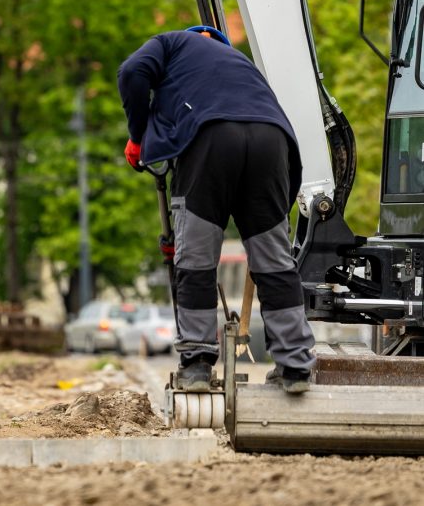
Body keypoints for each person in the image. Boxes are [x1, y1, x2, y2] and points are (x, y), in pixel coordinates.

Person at [117, 24, 315, 395]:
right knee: (273, 261)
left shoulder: (170, 43)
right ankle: (295, 366)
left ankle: (196, 364)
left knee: (195, 257)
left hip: (211, 137)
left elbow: (131, 72)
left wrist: (138, 135)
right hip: (272, 142)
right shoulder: (237, 61)